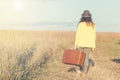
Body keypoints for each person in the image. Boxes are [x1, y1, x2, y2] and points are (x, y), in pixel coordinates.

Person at [75, 10, 96, 74]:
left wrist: (76, 44)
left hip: (80, 43)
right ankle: (84, 72)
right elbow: (94, 36)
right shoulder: (93, 25)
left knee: (79, 57)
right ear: (90, 17)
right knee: (86, 58)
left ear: (83, 17)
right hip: (89, 44)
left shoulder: (80, 24)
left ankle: (77, 70)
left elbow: (77, 35)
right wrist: (93, 46)